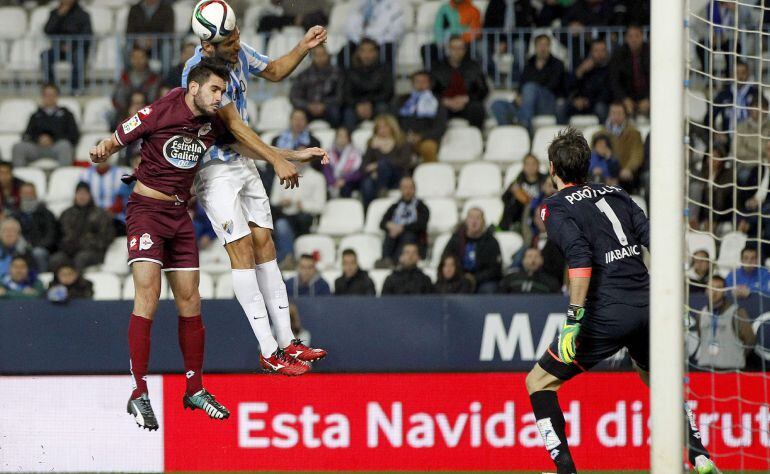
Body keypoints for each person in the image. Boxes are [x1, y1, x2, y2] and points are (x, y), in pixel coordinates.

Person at [524, 127, 718, 474]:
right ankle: (699, 454)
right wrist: (673, 300)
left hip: (605, 313)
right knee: (656, 381)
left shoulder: (552, 208)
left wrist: (573, 321)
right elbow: (657, 241)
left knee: (538, 381)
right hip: (648, 306)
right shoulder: (617, 194)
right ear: (586, 165)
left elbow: (580, 261)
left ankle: (564, 469)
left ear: (552, 167)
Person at [89, 58, 239, 431]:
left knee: (191, 299)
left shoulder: (214, 121)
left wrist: (283, 157)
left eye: (224, 91)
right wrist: (103, 148)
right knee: (149, 295)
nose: (220, 97)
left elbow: (244, 143)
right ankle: (138, 391)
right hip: (146, 211)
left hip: (179, 216)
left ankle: (194, 388)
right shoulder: (163, 107)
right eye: (215, 89)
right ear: (194, 87)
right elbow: (124, 131)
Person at [181, 10, 330, 377]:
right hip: (214, 168)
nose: (236, 46)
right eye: (228, 42)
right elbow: (231, 126)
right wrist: (279, 158)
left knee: (266, 243)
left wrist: (302, 47)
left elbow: (275, 71)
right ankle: (268, 349)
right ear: (205, 45)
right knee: (242, 249)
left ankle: (288, 341)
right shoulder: (199, 77)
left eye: (235, 38)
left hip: (243, 160)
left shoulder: (236, 51)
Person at [490, 34, 566, 131]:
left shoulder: (557, 64)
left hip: (547, 103)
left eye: (545, 45)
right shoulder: (529, 64)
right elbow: (521, 85)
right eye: (540, 45)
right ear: (535, 47)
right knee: (497, 104)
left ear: (549, 47)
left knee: (530, 88)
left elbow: (552, 86)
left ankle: (524, 127)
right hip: (527, 104)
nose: (543, 48)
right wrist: (519, 96)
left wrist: (529, 92)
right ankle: (511, 133)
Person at [48, 183, 114, 272]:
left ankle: (77, 284)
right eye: (79, 193)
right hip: (69, 251)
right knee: (55, 260)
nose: (82, 196)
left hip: (93, 252)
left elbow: (106, 237)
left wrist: (85, 244)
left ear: (90, 195)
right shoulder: (66, 214)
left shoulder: (100, 214)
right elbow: (58, 236)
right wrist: (65, 246)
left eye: (85, 194)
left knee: (81, 258)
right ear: (75, 195)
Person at [270, 165, 326, 268]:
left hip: (306, 218)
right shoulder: (281, 172)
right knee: (280, 225)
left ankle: (288, 260)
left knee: (296, 221)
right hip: (285, 215)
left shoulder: (317, 177)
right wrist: (282, 202)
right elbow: (274, 200)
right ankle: (289, 259)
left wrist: (304, 205)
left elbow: (320, 206)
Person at [694, 276, 756, 370]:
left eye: (718, 288)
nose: (714, 292)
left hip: (731, 370)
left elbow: (750, 340)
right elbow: (700, 337)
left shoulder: (737, 312)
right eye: (711, 288)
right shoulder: (701, 314)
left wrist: (736, 356)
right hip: (706, 368)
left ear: (724, 291)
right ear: (706, 291)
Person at [12, 83, 79, 167]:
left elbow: (74, 135)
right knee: (18, 147)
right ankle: (20, 176)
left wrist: (53, 139)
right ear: (42, 97)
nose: (49, 98)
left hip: (57, 147)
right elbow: (27, 134)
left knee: (65, 146)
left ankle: (63, 177)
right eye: (46, 95)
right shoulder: (35, 115)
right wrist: (38, 139)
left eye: (52, 95)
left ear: (57, 96)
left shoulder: (66, 114)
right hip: (37, 147)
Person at [431, 35, 488, 130]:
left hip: (467, 104)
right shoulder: (438, 68)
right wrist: (444, 101)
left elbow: (483, 90)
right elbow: (431, 91)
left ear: (465, 50)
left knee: (477, 108)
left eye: (460, 48)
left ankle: (476, 136)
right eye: (453, 48)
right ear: (448, 49)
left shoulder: (474, 67)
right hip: (445, 105)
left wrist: (467, 98)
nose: (457, 51)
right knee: (435, 110)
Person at [443, 208, 502, 294]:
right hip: (459, 278)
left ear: (483, 222)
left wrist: (474, 278)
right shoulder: (456, 239)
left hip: (483, 281)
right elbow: (445, 259)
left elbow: (495, 269)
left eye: (478, 218)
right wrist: (461, 276)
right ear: (466, 221)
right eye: (471, 217)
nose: (474, 221)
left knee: (489, 290)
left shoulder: (491, 242)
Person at [394, 70, 448, 163]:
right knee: (389, 146)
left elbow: (440, 127)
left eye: (424, 82)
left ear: (430, 84)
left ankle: (430, 174)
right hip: (403, 137)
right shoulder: (402, 100)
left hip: (426, 139)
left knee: (429, 148)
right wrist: (403, 135)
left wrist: (421, 136)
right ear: (412, 84)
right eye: (417, 81)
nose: (420, 85)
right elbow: (393, 120)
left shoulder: (437, 103)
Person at [360, 114, 413, 207]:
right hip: (377, 178)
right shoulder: (372, 143)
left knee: (383, 164)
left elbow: (405, 162)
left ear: (392, 127)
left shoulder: (402, 141)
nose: (382, 130)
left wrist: (378, 166)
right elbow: (364, 167)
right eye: (379, 127)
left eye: (385, 127)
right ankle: (367, 211)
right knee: (366, 184)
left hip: (398, 177)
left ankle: (382, 190)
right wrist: (375, 171)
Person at [342, 38, 394, 130]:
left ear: (376, 53)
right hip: (356, 106)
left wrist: (370, 103)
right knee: (348, 113)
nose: (367, 55)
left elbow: (387, 93)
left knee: (382, 108)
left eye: (370, 51)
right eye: (363, 51)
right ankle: (349, 140)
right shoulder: (350, 71)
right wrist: (358, 104)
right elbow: (346, 94)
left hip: (376, 105)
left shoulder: (384, 70)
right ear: (358, 53)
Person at [377, 176, 429, 267]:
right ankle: (386, 260)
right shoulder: (395, 207)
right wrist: (390, 225)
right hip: (394, 241)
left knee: (408, 235)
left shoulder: (421, 207)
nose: (408, 191)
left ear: (414, 189)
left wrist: (402, 228)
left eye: (410, 187)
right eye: (405, 188)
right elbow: (382, 223)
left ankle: (398, 262)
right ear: (400, 190)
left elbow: (421, 224)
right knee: (391, 233)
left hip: (414, 241)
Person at [41, 0, 92, 92]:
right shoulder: (55, 13)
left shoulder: (83, 15)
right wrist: (58, 16)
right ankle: (52, 88)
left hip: (76, 49)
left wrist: (72, 45)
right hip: (58, 49)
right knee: (45, 56)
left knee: (78, 57)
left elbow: (87, 36)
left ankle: (75, 89)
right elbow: (47, 30)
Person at [289, 46, 343, 127]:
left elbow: (340, 96)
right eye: (317, 55)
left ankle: (339, 136)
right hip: (308, 109)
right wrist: (308, 106)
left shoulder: (337, 74)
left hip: (328, 108)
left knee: (338, 112)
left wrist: (324, 105)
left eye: (322, 54)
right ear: (312, 57)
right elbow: (294, 96)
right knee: (298, 115)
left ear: (328, 55)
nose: (320, 58)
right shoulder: (303, 75)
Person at [10, 182, 58, 272]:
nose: (28, 196)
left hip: (41, 247)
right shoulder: (15, 215)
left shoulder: (46, 214)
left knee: (38, 253)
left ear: (35, 194)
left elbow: (51, 235)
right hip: (20, 246)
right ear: (20, 194)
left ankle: (41, 277)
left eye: (30, 193)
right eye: (25, 193)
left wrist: (36, 246)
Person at [79, 158, 132, 235]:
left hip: (115, 217)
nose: (102, 158)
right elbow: (81, 197)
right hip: (91, 217)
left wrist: (113, 210)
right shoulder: (85, 175)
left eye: (105, 153)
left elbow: (126, 198)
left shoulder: (122, 173)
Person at [343, 0, 405, 65]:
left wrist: (374, 41)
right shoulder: (359, 3)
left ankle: (384, 74)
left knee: (387, 51)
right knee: (344, 53)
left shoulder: (395, 5)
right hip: (359, 40)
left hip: (381, 42)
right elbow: (349, 27)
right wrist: (360, 40)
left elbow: (396, 31)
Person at [600, 101, 644, 192]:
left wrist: (628, 168)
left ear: (625, 115)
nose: (616, 116)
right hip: (605, 175)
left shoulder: (634, 133)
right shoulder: (600, 134)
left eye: (619, 113)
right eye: (613, 113)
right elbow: (595, 155)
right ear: (609, 114)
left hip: (625, 175)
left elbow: (637, 154)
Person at [609, 24, 650, 118]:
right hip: (627, 96)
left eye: (637, 36)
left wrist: (649, 98)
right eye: (630, 36)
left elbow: (657, 80)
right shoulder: (619, 54)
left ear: (642, 37)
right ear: (625, 38)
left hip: (648, 95)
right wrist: (624, 99)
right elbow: (614, 81)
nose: (634, 40)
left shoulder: (651, 52)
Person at [568, 38, 612, 123]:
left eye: (602, 50)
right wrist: (579, 72)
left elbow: (607, 93)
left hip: (597, 103)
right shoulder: (582, 65)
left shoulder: (610, 69)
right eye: (596, 50)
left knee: (600, 108)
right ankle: (563, 135)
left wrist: (589, 101)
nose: (599, 54)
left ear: (606, 53)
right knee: (562, 106)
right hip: (579, 103)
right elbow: (568, 88)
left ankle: (604, 135)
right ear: (591, 52)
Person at [500, 153, 546, 231]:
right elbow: (504, 198)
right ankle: (507, 229)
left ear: (538, 166)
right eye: (527, 164)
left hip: (538, 213)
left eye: (533, 164)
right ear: (523, 167)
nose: (531, 167)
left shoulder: (544, 180)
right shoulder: (518, 181)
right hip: (520, 214)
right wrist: (512, 192)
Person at [112, 47, 161, 118]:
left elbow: (154, 98)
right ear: (131, 59)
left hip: (148, 113)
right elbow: (118, 97)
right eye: (135, 57)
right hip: (127, 112)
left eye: (141, 57)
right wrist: (129, 107)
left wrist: (141, 105)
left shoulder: (153, 77)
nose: (138, 61)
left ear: (146, 59)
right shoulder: (125, 76)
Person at [323, 127, 364, 198]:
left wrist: (344, 180)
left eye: (345, 136)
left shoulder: (356, 153)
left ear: (349, 139)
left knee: (346, 187)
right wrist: (333, 182)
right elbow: (326, 170)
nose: (342, 139)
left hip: (349, 182)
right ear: (335, 138)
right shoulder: (329, 153)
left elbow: (359, 172)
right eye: (340, 136)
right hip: (333, 182)